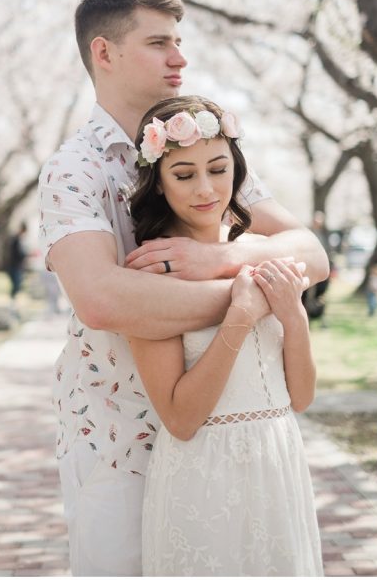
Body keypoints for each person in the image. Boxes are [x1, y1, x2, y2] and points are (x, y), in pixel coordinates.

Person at [39, 0, 328, 576]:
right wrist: (249, 295)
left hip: (235, 442)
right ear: (104, 53)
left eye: (179, 41)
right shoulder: (73, 169)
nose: (180, 57)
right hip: (119, 433)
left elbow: (311, 255)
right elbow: (101, 300)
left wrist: (218, 259)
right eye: (159, 42)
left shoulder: (200, 146)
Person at [126, 97, 322, 575]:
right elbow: (181, 418)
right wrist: (239, 318)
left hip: (279, 462)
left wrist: (293, 318)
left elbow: (301, 397)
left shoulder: (256, 249)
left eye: (218, 168)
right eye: (184, 174)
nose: (206, 189)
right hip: (203, 478)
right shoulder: (151, 270)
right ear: (158, 182)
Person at [5, 222, 28, 314]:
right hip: (14, 266)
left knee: (17, 285)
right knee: (16, 285)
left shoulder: (16, 240)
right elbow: (17, 254)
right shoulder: (15, 240)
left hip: (16, 266)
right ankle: (12, 303)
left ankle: (13, 302)